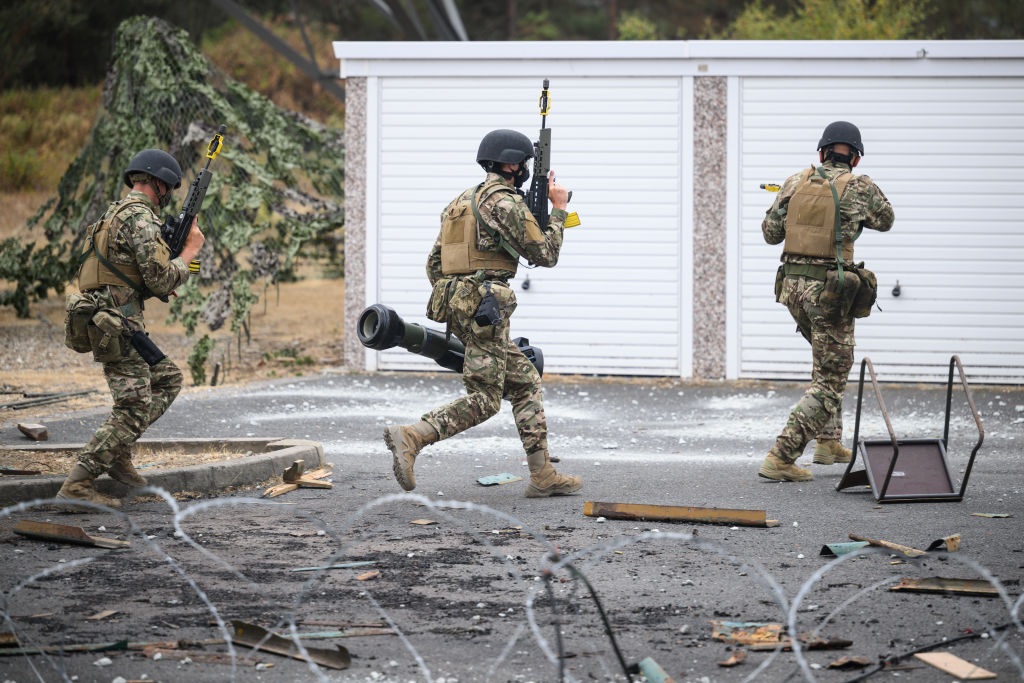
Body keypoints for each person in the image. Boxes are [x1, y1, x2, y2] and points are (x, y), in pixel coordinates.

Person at [384, 129, 583, 498]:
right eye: (522, 164)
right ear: (509, 164)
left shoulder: (461, 201)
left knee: (524, 381)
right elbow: (545, 255)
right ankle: (412, 436)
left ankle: (543, 476)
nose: (524, 169)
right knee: (485, 398)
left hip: (463, 304)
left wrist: (460, 296)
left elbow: (434, 264)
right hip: (484, 308)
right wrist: (558, 210)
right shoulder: (504, 203)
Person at [57, 149, 205, 507]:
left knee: (167, 378)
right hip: (118, 325)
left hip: (115, 321)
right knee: (134, 407)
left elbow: (126, 275)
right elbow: (159, 278)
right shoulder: (140, 218)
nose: (169, 193)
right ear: (158, 183)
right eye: (168, 187)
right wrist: (190, 253)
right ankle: (78, 483)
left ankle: (118, 453)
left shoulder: (114, 213)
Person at [758, 121, 894, 482]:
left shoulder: (794, 181)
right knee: (831, 378)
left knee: (825, 365)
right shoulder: (860, 186)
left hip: (792, 291)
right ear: (856, 160)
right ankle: (781, 456)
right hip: (829, 294)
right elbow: (886, 220)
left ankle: (828, 443)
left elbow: (771, 234)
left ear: (821, 153)